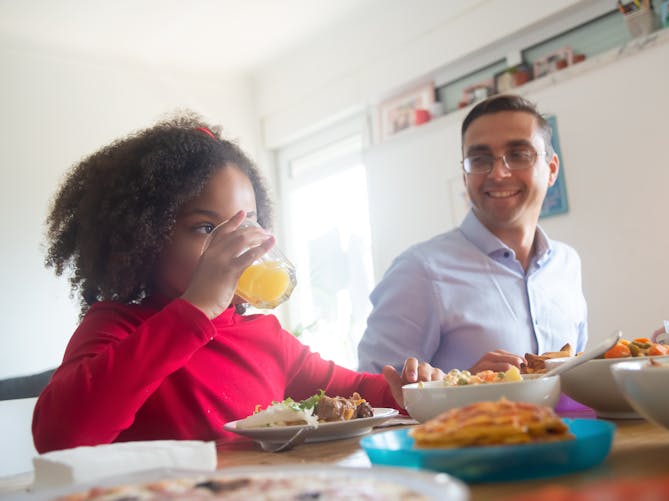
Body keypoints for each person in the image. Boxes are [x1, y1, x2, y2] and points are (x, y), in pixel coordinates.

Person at [33, 113, 442, 453]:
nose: (232, 244)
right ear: (144, 237)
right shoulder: (116, 326)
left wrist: (411, 391)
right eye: (206, 227)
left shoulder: (265, 337)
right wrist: (194, 311)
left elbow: (356, 391)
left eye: (245, 226)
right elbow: (59, 437)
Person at [358, 94, 587, 374]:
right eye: (480, 159)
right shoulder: (418, 271)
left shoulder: (567, 263)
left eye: (518, 155)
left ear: (551, 170)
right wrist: (465, 387)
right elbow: (372, 398)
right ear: (466, 175)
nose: (499, 173)